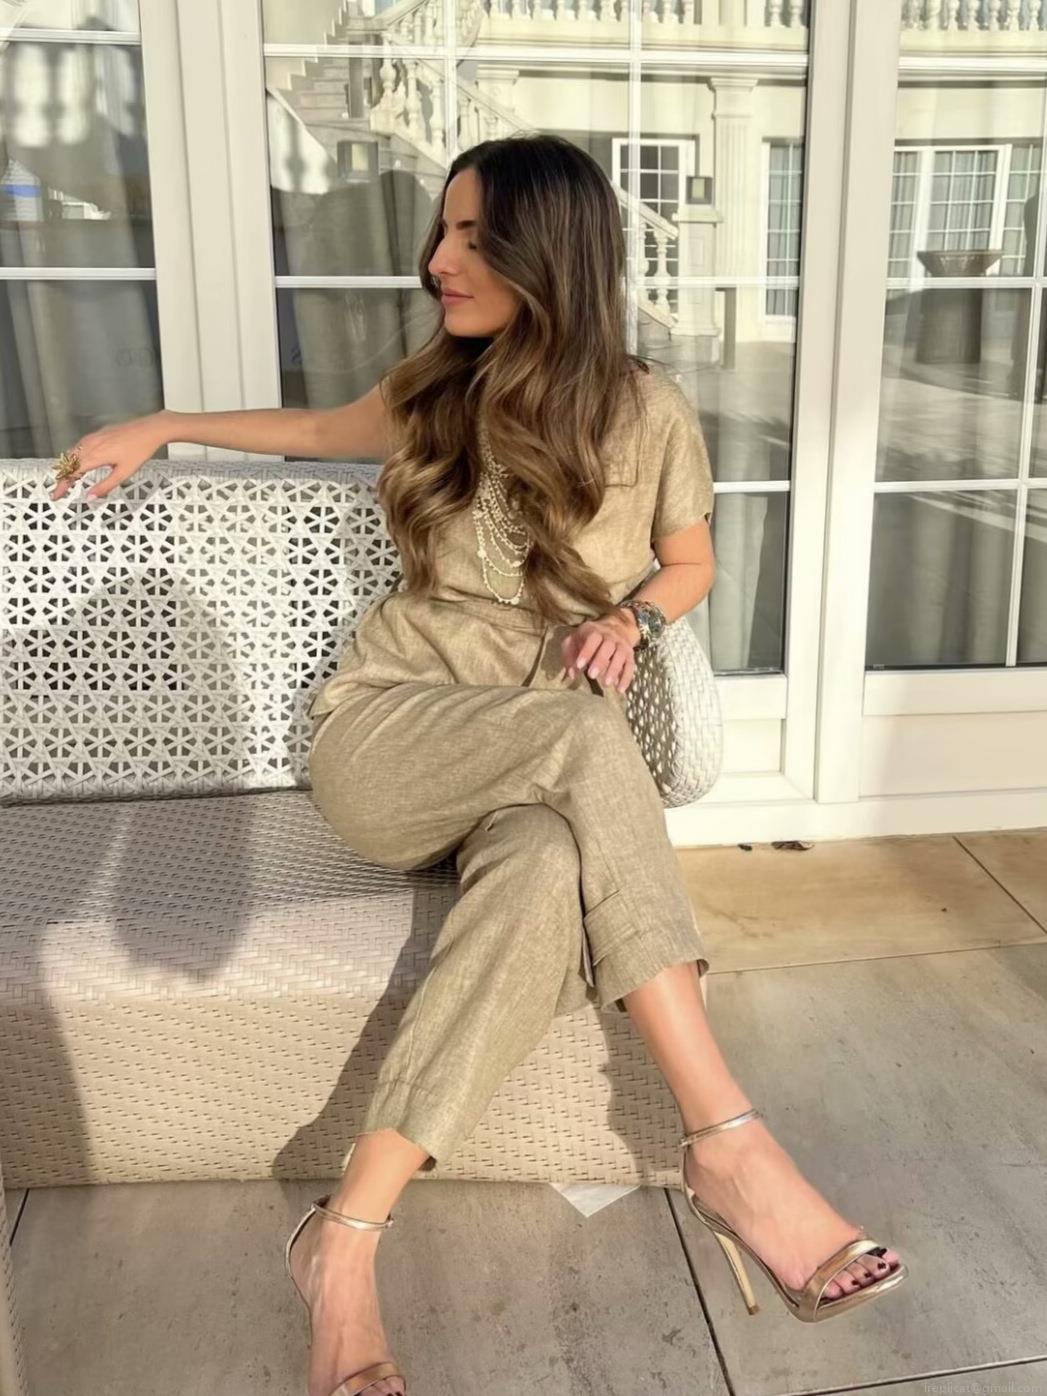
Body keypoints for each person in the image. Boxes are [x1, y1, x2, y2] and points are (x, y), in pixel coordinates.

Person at [50, 134, 906, 1396]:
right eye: (442, 232)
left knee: (547, 866)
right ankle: (727, 1141)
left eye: (470, 235)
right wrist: (163, 424)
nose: (437, 260)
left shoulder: (650, 409)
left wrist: (634, 619)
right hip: (392, 731)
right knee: (585, 733)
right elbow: (309, 427)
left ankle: (344, 1241)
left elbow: (690, 562)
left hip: (536, 763)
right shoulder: (434, 392)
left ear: (548, 254)